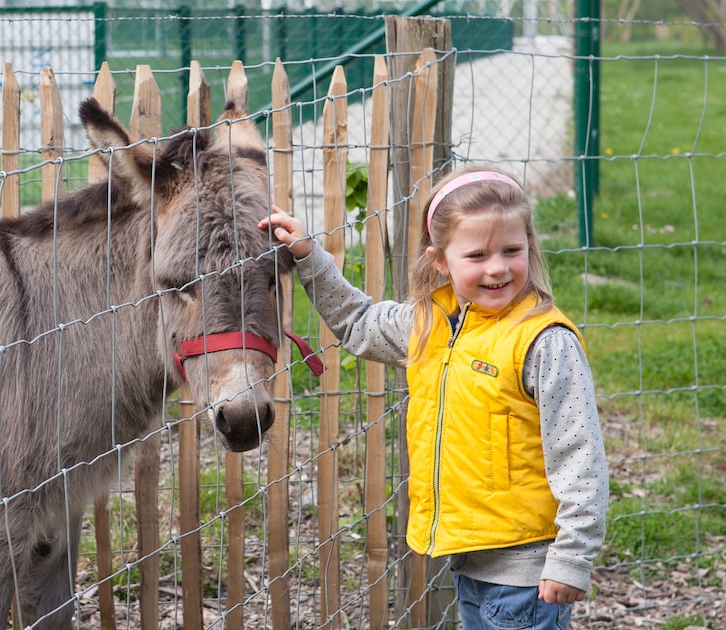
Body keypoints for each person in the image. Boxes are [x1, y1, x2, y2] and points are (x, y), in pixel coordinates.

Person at [258, 167, 610, 629]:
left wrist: (571, 557)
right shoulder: (428, 324)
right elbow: (359, 323)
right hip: (473, 560)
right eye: (477, 254)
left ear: (529, 245)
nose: (498, 267)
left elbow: (580, 454)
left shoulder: (544, 341)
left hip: (528, 570)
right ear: (440, 260)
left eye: (511, 250)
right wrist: (309, 256)